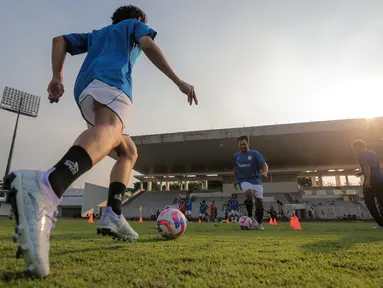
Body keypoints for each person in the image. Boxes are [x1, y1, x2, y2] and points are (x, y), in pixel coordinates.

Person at [4, 5, 197, 278]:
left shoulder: (97, 34)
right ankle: (48, 185)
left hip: (85, 91)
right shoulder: (133, 26)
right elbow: (148, 44)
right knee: (110, 127)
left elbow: (59, 41)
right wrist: (178, 81)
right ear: (139, 20)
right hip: (113, 84)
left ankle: (113, 214)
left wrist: (57, 77)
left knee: (127, 150)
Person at [233, 135, 268, 230]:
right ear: (238, 145)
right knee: (248, 194)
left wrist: (265, 172)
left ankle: (259, 223)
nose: (242, 146)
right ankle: (250, 216)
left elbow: (264, 164)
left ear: (248, 144)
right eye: (240, 145)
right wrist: (235, 180)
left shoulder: (255, 154)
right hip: (243, 180)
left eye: (244, 144)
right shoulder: (236, 156)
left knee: (259, 203)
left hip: (256, 181)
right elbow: (236, 168)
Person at [352, 140, 383, 229]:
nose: (354, 150)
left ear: (358, 147)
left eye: (354, 148)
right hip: (380, 179)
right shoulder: (372, 153)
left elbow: (367, 166)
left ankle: (380, 223)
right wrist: (361, 173)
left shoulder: (361, 154)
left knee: (369, 202)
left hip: (372, 181)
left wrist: (367, 181)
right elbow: (374, 166)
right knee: (381, 202)